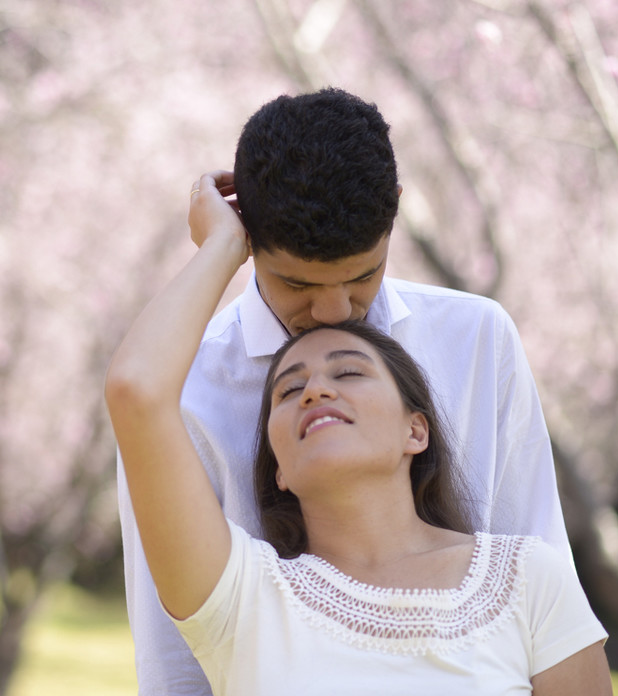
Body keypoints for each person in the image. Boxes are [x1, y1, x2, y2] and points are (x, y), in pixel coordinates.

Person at [117, 88, 574, 694]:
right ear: (248, 240)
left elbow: (539, 583)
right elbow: (173, 664)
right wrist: (219, 248)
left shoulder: (477, 338)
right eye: (296, 283)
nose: (332, 309)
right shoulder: (186, 388)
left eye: (363, 275)